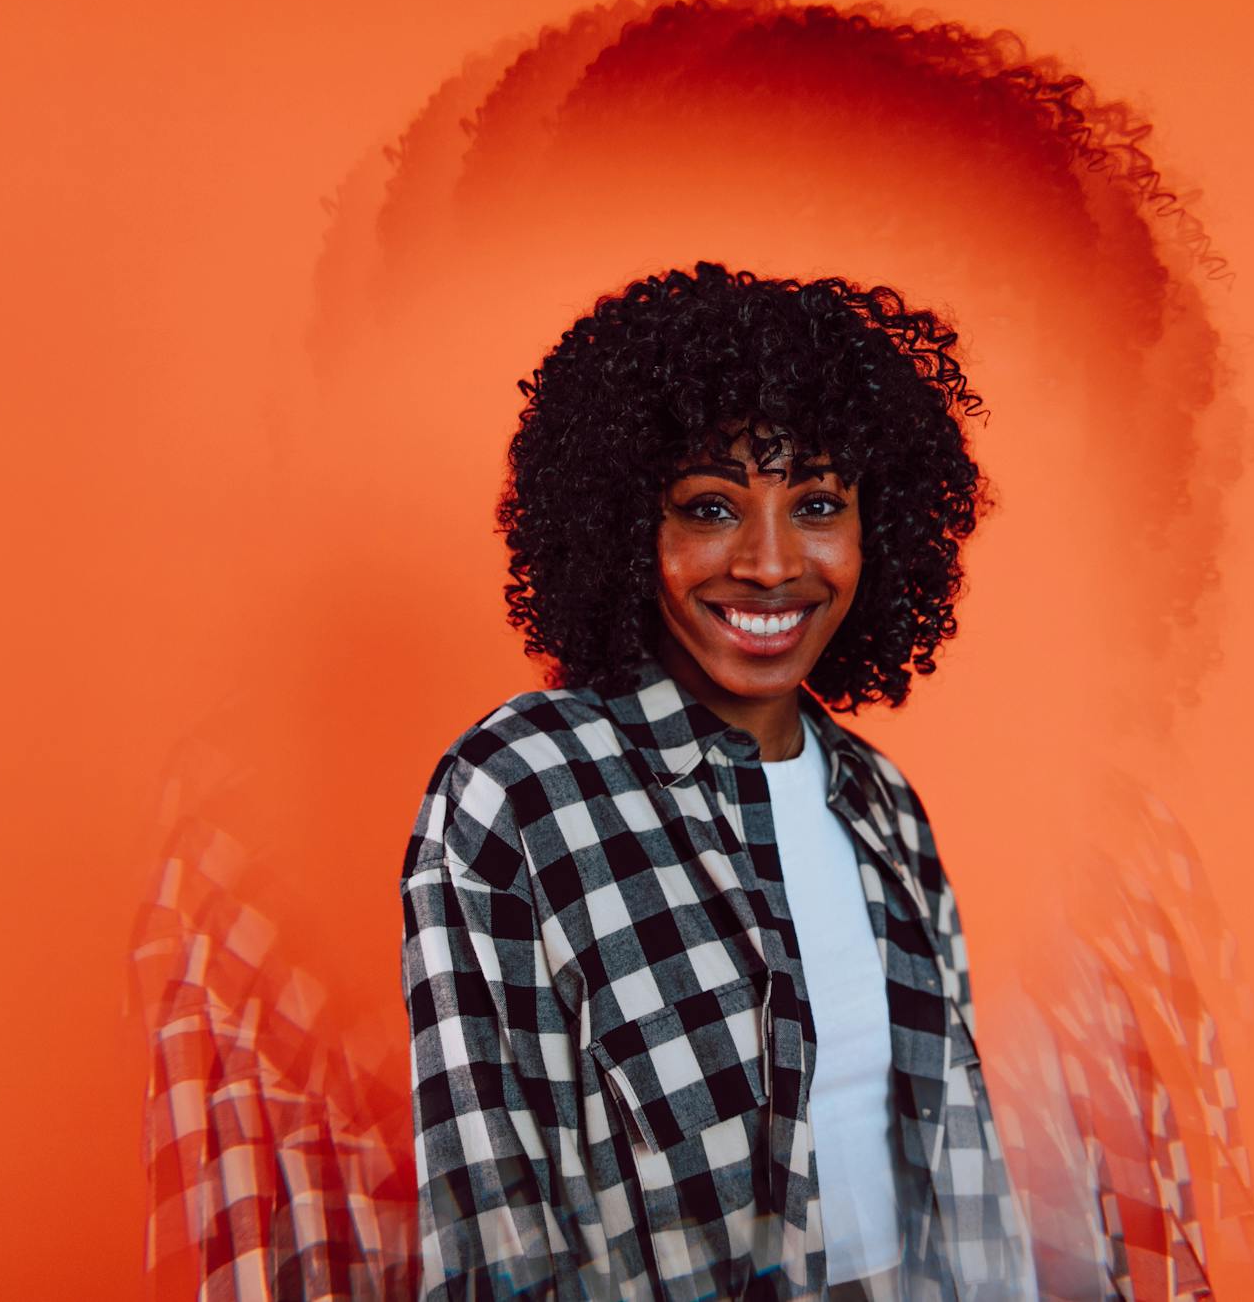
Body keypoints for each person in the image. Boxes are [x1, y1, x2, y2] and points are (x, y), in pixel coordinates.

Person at [400, 261, 1038, 1300]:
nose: (769, 561)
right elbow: (492, 1212)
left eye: (819, 502)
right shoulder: (519, 792)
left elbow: (954, 1163)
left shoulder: (881, 804)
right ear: (620, 527)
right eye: (707, 508)